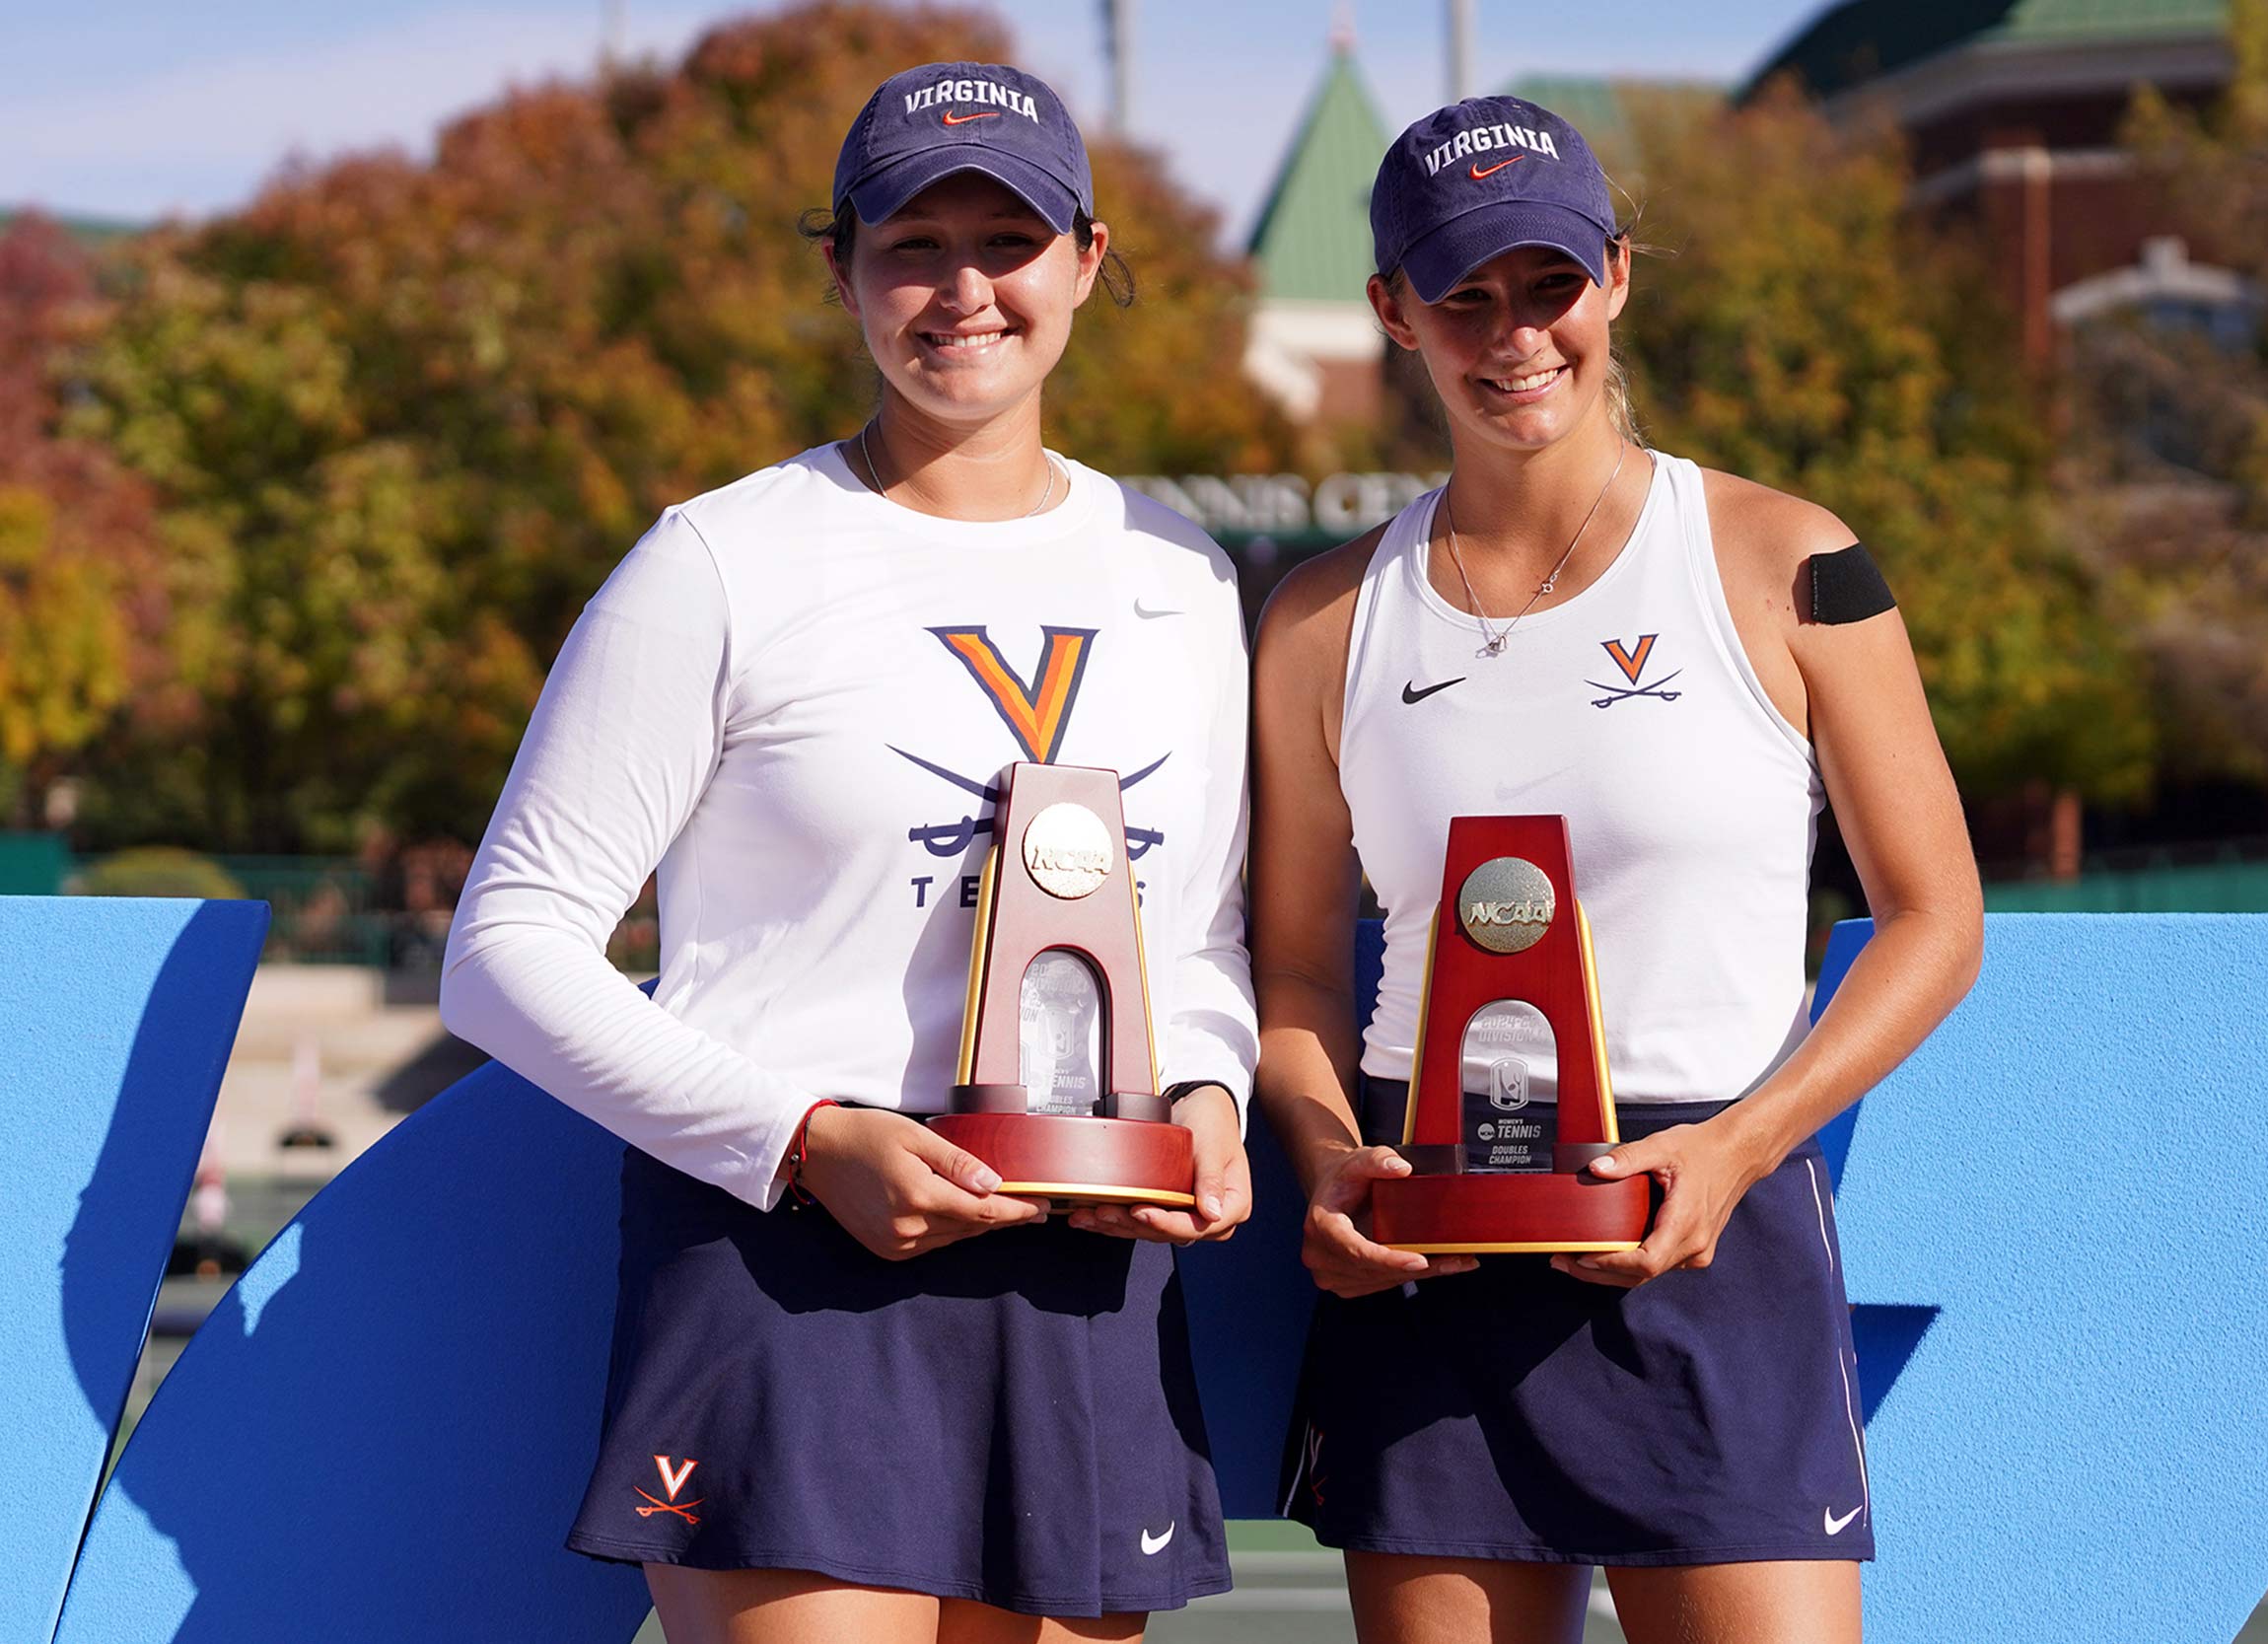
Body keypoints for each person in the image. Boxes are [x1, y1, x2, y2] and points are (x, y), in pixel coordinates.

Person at [439, 60, 1256, 1644]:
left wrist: (1209, 1102)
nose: (963, 290)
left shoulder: (1180, 569)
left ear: (1088, 260)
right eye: (909, 245)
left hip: (1087, 1267)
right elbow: (506, 951)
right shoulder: (719, 560)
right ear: (841, 271)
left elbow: (1198, 942)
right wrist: (805, 1140)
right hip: (794, 1261)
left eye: (1007, 240)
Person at [1248, 95, 1983, 1644]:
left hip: (1706, 1217)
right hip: (1428, 1234)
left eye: (1548, 284)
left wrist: (1739, 1150)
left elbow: (1936, 918)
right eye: (1464, 295)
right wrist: (1325, 1162)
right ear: (1393, 310)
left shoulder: (1790, 560)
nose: (1515, 335)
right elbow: (1300, 966)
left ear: (1617, 278)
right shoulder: (1320, 621)